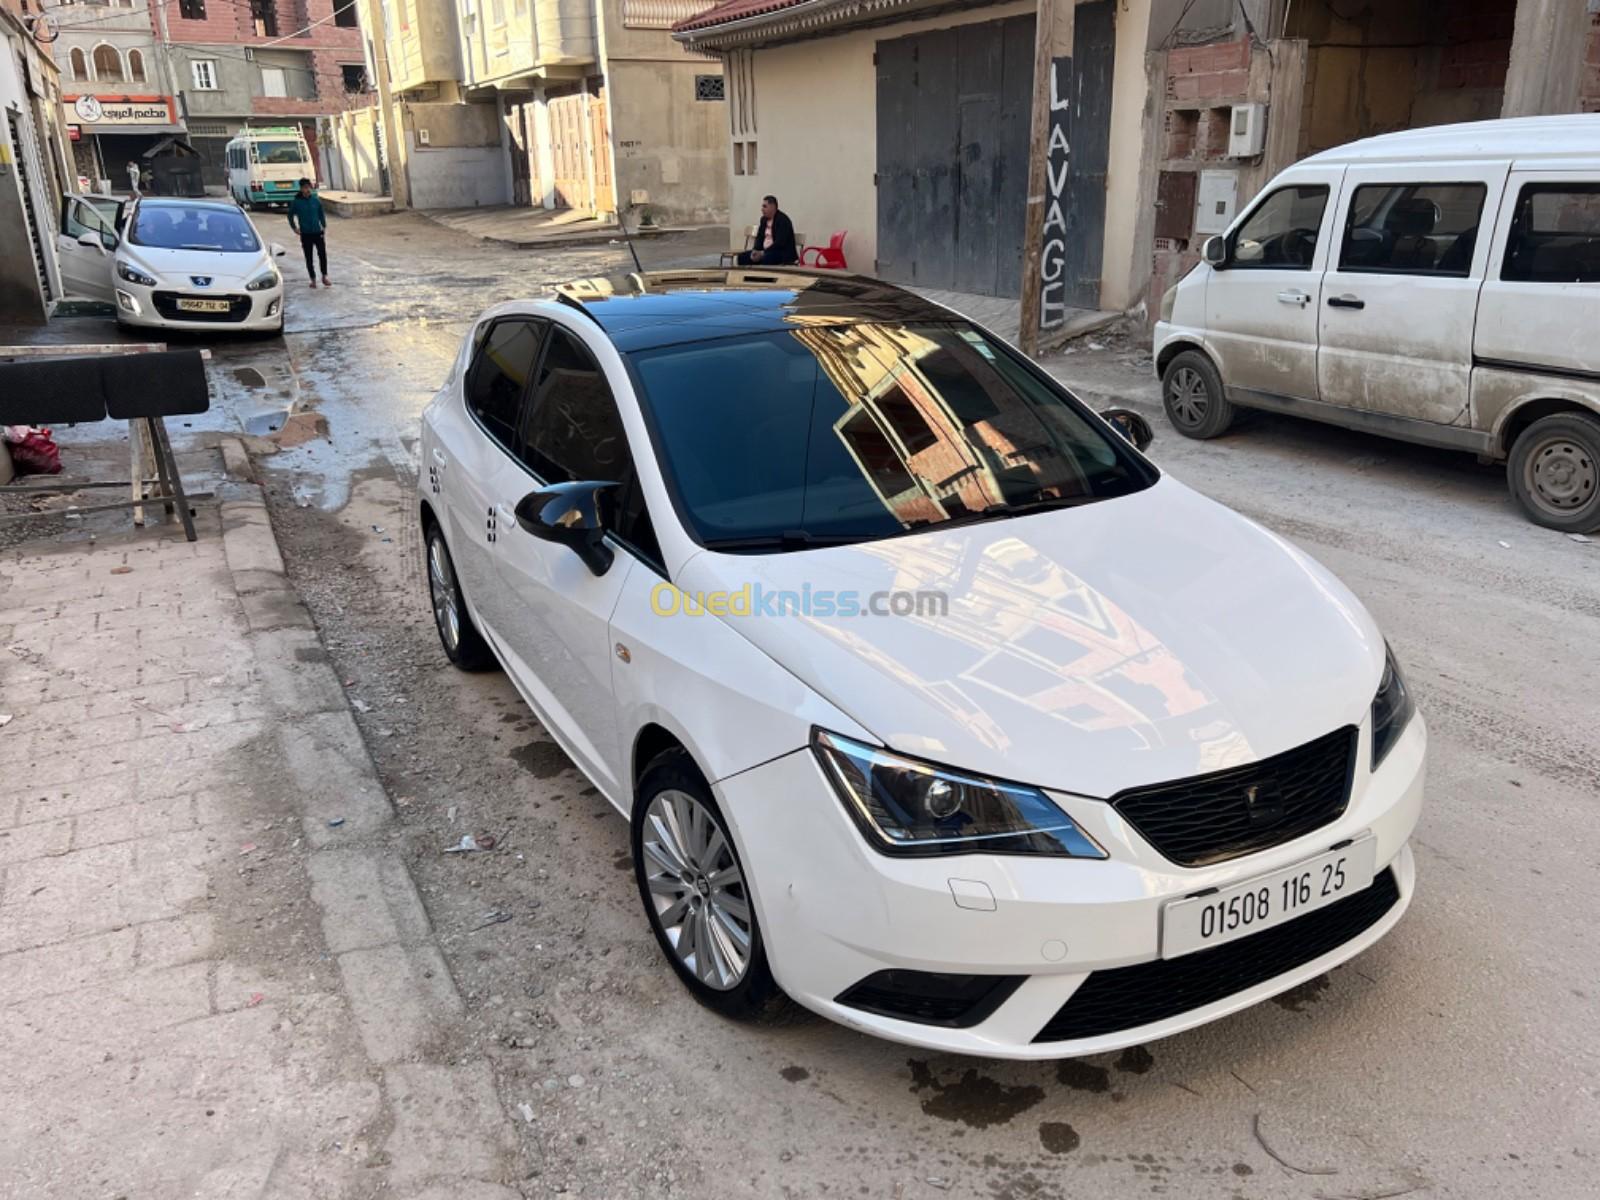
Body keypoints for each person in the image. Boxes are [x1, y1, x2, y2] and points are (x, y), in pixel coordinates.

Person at [286, 177, 331, 289]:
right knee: (309, 257)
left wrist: (324, 225)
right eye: (305, 188)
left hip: (317, 232)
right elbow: (290, 215)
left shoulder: (315, 200)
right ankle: (313, 279)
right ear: (301, 189)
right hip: (305, 234)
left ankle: (324, 276)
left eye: (309, 187)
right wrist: (294, 228)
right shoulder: (297, 202)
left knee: (322, 254)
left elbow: (321, 213)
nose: (307, 190)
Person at [736, 195, 797, 266]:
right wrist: (755, 250)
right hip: (765, 251)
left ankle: (762, 277)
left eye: (765, 206)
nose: (762, 209)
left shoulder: (783, 220)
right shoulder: (763, 220)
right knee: (742, 257)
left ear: (773, 207)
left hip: (781, 253)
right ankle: (749, 277)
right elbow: (760, 237)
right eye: (762, 206)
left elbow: (780, 243)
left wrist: (763, 253)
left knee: (766, 258)